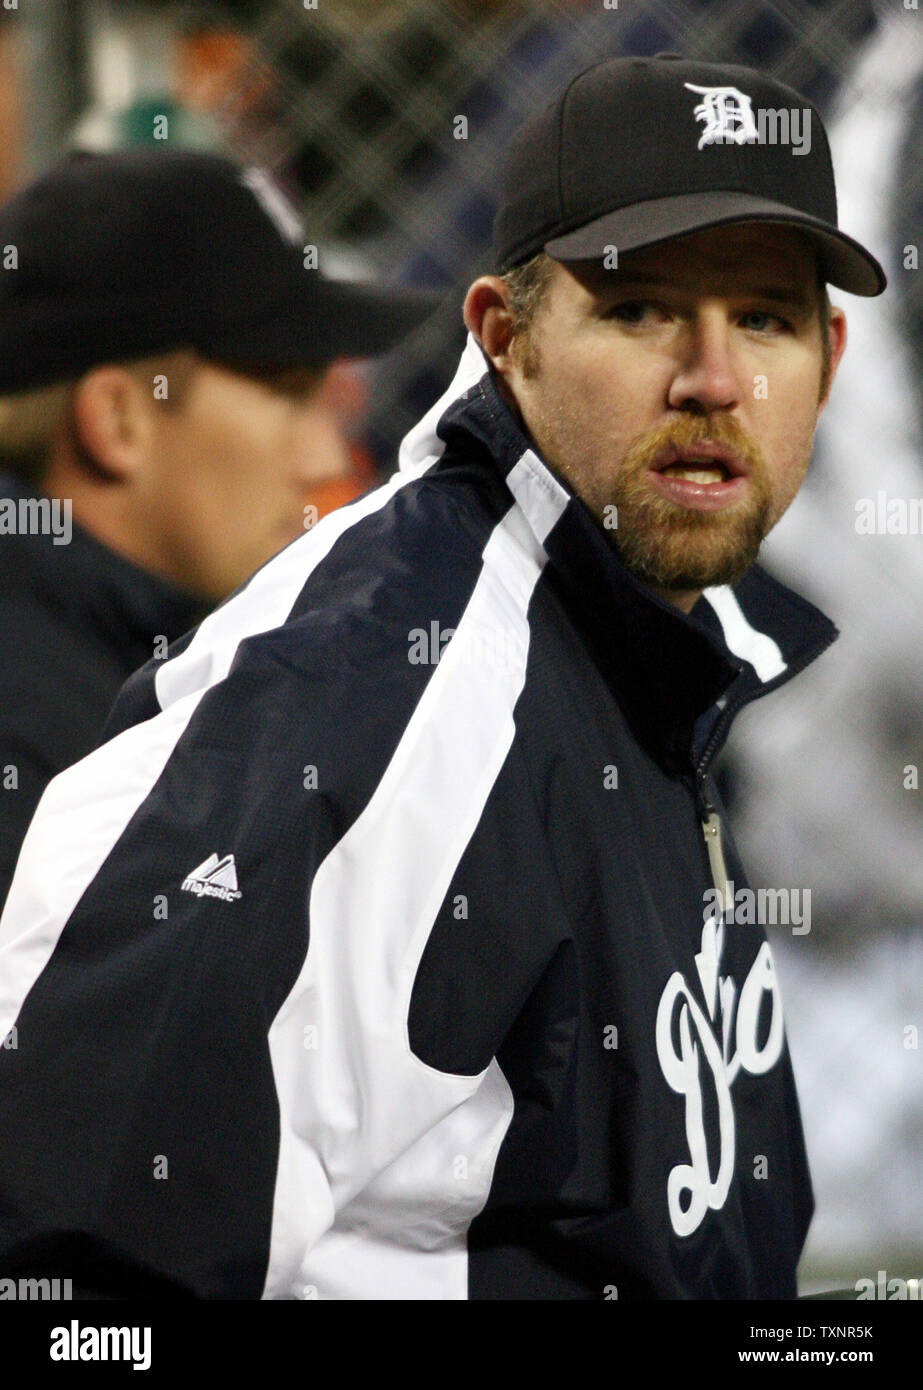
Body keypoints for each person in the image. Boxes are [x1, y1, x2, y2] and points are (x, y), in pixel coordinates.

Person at [0, 54, 885, 1299]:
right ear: (504, 339)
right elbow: (74, 1273)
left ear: (830, 356)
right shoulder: (379, 693)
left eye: (764, 318)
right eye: (637, 311)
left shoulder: (661, 652)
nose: (712, 377)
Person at [0, 147, 434, 910]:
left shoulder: (119, 657)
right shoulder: (34, 729)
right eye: (289, 394)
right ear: (119, 420)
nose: (326, 457)